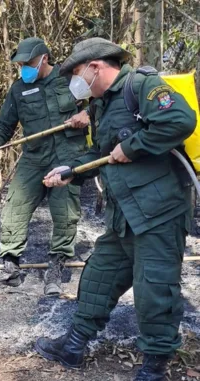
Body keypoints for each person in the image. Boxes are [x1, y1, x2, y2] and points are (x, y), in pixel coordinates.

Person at [36, 37, 196, 381]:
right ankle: (74, 346)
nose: (74, 84)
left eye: (76, 74)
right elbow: (104, 153)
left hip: (159, 212)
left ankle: (155, 367)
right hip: (124, 212)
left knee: (154, 290)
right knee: (98, 278)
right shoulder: (101, 105)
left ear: (96, 67)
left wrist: (135, 145)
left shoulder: (143, 86)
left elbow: (181, 120)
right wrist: (70, 170)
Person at [0, 37, 90, 294]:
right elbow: (4, 125)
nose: (24, 68)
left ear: (45, 59)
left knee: (64, 213)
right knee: (15, 205)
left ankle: (56, 267)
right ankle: (11, 267)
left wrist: (88, 114)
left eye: (29, 63)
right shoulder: (18, 90)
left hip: (67, 155)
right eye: (21, 65)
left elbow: (102, 102)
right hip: (34, 157)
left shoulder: (71, 79)